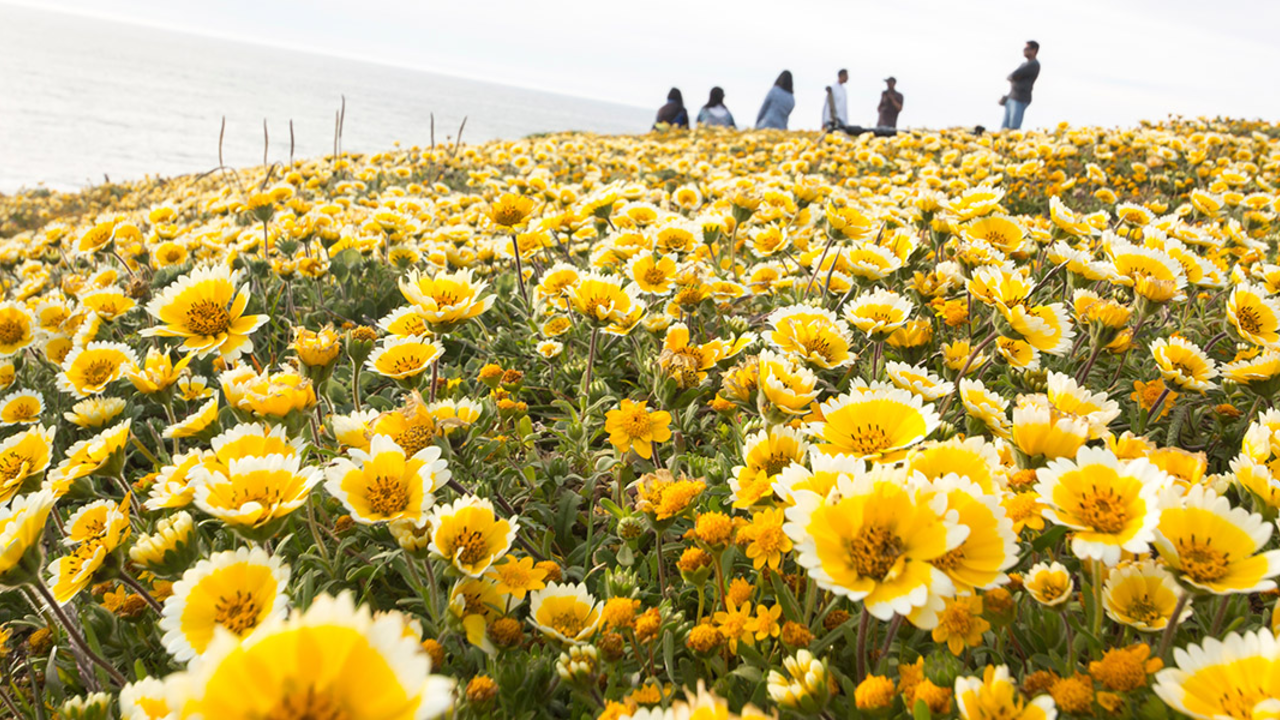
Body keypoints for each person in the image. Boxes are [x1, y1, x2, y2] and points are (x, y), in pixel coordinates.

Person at [1001, 41, 1040, 130]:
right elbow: (1011, 76)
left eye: (1027, 49)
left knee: (1013, 128)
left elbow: (1014, 75)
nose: (1024, 51)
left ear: (1034, 50)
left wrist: (1014, 78)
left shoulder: (1034, 64)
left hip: (1020, 98)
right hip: (1012, 96)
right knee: (1004, 128)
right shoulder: (1024, 64)